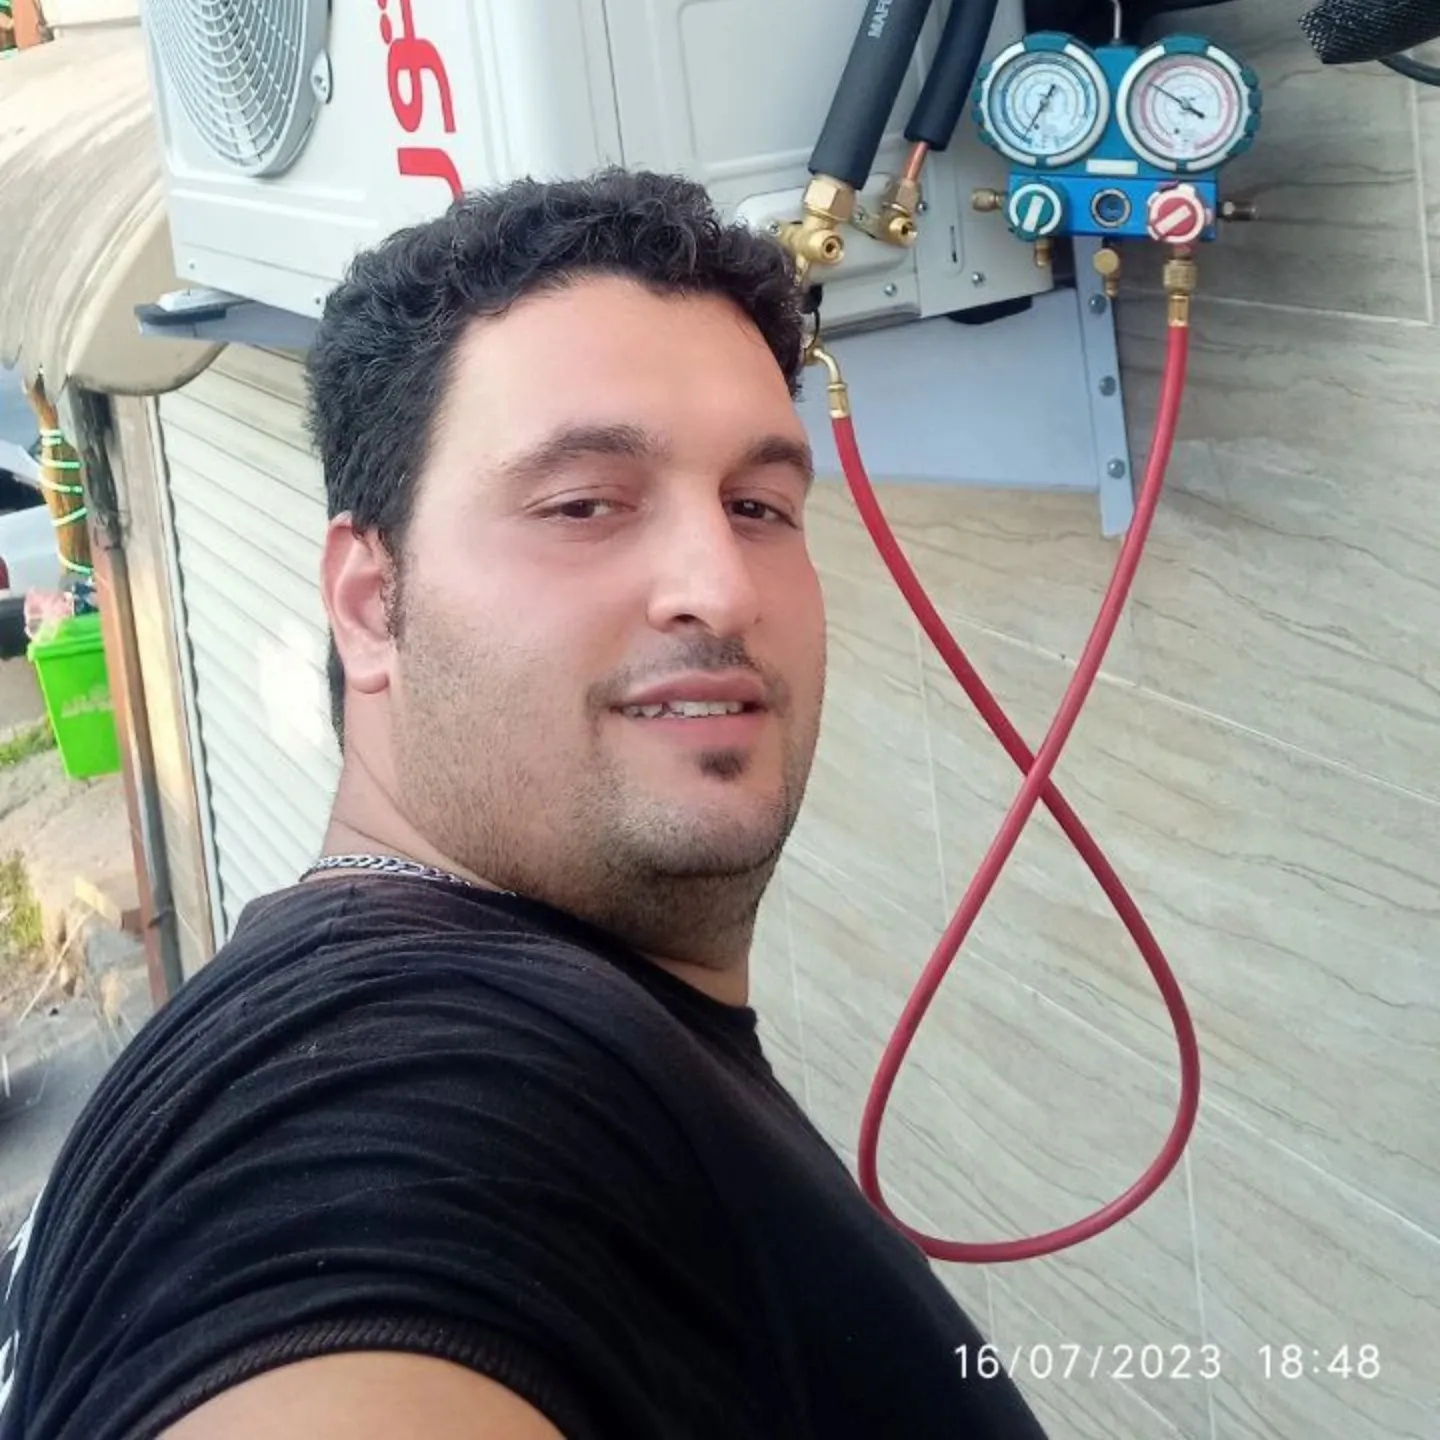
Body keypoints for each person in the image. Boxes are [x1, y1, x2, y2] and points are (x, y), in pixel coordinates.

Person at [0, 169, 1048, 1439]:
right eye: (584, 504)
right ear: (370, 607)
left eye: (758, 506)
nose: (721, 585)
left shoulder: (525, 1010)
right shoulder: (386, 1089)